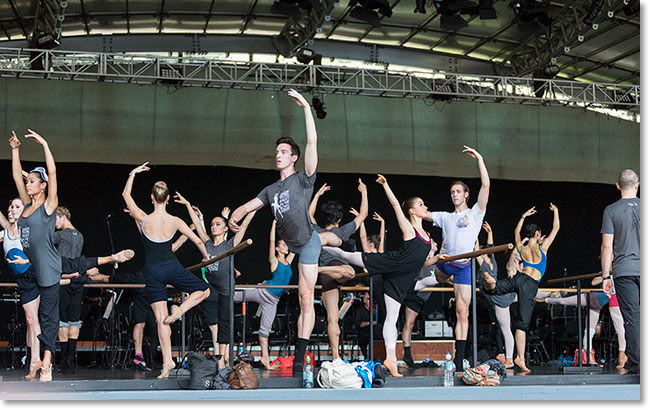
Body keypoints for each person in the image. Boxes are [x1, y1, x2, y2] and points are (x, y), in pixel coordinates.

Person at [228, 89, 342, 374]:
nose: (277, 155)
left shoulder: (304, 179)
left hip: (307, 244)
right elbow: (248, 205)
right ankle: (335, 242)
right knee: (303, 288)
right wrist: (236, 214)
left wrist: (305, 105)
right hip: (290, 244)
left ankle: (300, 357)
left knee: (305, 298)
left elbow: (312, 140)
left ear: (293, 158)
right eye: (276, 151)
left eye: (283, 152)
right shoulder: (270, 190)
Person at [323, 174, 448, 377]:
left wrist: (436, 259)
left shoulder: (427, 237)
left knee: (392, 318)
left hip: (400, 278)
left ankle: (391, 360)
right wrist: (386, 185)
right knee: (350, 256)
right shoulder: (409, 228)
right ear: (412, 211)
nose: (426, 207)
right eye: (421, 205)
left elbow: (421, 262)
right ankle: (319, 243)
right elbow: (395, 205)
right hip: (391, 263)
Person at [122, 162, 211, 379]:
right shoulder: (175, 220)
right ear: (168, 198)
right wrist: (207, 257)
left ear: (152, 197)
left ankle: (167, 363)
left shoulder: (143, 218)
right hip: (171, 267)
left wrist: (133, 173)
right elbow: (198, 240)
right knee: (204, 290)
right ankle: (180, 310)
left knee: (161, 317)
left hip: (152, 271)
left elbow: (125, 194)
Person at [425, 145, 490, 371]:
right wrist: (409, 210)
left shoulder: (475, 213)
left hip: (464, 267)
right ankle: (427, 279)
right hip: (445, 265)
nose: (454, 195)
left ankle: (460, 359)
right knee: (438, 277)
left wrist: (479, 159)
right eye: (452, 192)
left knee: (462, 312)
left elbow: (486, 184)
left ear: (466, 195)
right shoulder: (444, 217)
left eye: (458, 192)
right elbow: (420, 213)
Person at [174, 193, 256, 368]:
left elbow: (246, 225)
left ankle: (223, 358)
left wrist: (254, 208)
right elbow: (197, 224)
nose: (213, 226)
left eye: (218, 224)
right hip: (211, 287)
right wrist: (188, 204)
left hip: (226, 287)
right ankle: (220, 357)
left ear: (226, 228)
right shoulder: (208, 244)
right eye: (212, 224)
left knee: (225, 322)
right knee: (213, 321)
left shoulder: (230, 244)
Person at [9, 129, 62, 382]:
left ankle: (48, 364)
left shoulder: (49, 206)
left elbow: (52, 173)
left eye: (32, 181)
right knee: (33, 319)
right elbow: (15, 178)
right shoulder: (27, 205)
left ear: (42, 186)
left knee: (49, 320)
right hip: (32, 270)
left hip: (50, 270)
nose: (27, 183)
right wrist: (15, 149)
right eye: (27, 180)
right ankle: (35, 360)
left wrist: (44, 143)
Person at [483, 203, 560, 372]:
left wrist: (523, 216)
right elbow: (556, 228)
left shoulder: (521, 247)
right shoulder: (543, 247)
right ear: (538, 234)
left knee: (497, 288)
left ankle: (491, 284)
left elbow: (516, 232)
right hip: (530, 284)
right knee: (522, 324)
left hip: (519, 278)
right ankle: (520, 358)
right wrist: (555, 211)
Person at [308, 180, 368, 360]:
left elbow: (308, 215)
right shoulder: (343, 231)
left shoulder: (317, 230)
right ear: (339, 218)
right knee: (350, 273)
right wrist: (363, 191)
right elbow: (363, 214)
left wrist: (317, 195)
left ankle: (316, 269)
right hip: (338, 270)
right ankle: (335, 357)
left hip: (325, 274)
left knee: (332, 318)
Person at [233, 219, 295, 369]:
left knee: (265, 329)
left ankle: (265, 359)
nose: (287, 247)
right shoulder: (274, 261)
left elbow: (295, 245)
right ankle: (219, 292)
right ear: (278, 249)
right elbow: (272, 240)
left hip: (273, 301)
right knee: (235, 297)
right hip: (263, 291)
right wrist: (273, 224)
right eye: (284, 245)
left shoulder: (288, 261)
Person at [600, 169, 640, 374]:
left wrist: (605, 276)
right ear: (637, 185)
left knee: (632, 317)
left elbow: (607, 247)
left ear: (617, 186)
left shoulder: (611, 210)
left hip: (624, 271)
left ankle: (637, 362)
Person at [540, 276, 626, 368]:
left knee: (589, 331)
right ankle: (543, 299)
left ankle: (589, 358)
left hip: (598, 305)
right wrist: (605, 277)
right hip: (594, 297)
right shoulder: (608, 276)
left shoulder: (620, 278)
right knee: (563, 301)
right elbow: (593, 282)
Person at [475, 221, 516, 368]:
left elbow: (489, 248)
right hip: (499, 294)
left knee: (506, 329)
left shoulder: (489, 261)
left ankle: (510, 359)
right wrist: (486, 233)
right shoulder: (487, 261)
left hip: (499, 297)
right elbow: (477, 248)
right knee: (506, 329)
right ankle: (549, 296)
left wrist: (489, 233)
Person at [401, 263, 437, 368]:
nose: (435, 244)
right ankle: (407, 355)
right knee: (409, 323)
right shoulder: (424, 260)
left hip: (421, 299)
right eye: (434, 244)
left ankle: (407, 356)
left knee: (410, 324)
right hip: (414, 294)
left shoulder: (436, 264)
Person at [354, 292, 382, 360]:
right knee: (362, 338)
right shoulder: (359, 311)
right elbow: (358, 324)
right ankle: (366, 357)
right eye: (369, 299)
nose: (371, 301)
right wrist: (370, 323)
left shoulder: (376, 310)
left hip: (374, 332)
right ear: (364, 301)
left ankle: (379, 356)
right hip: (364, 332)